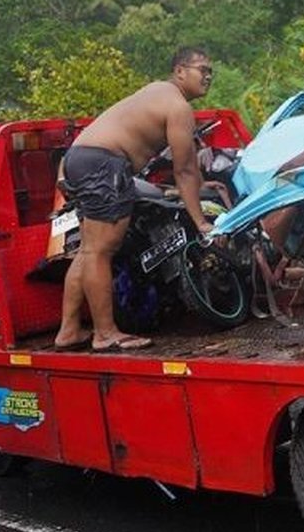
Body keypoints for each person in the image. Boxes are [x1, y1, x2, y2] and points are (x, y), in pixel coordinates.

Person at [53, 47, 215, 352]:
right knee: (101, 251)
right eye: (201, 69)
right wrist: (201, 222)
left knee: (89, 250)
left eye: (210, 72)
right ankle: (105, 334)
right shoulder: (178, 106)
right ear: (180, 71)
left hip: (79, 158)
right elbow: (185, 170)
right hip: (103, 163)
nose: (207, 76)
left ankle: (69, 330)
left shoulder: (157, 91)